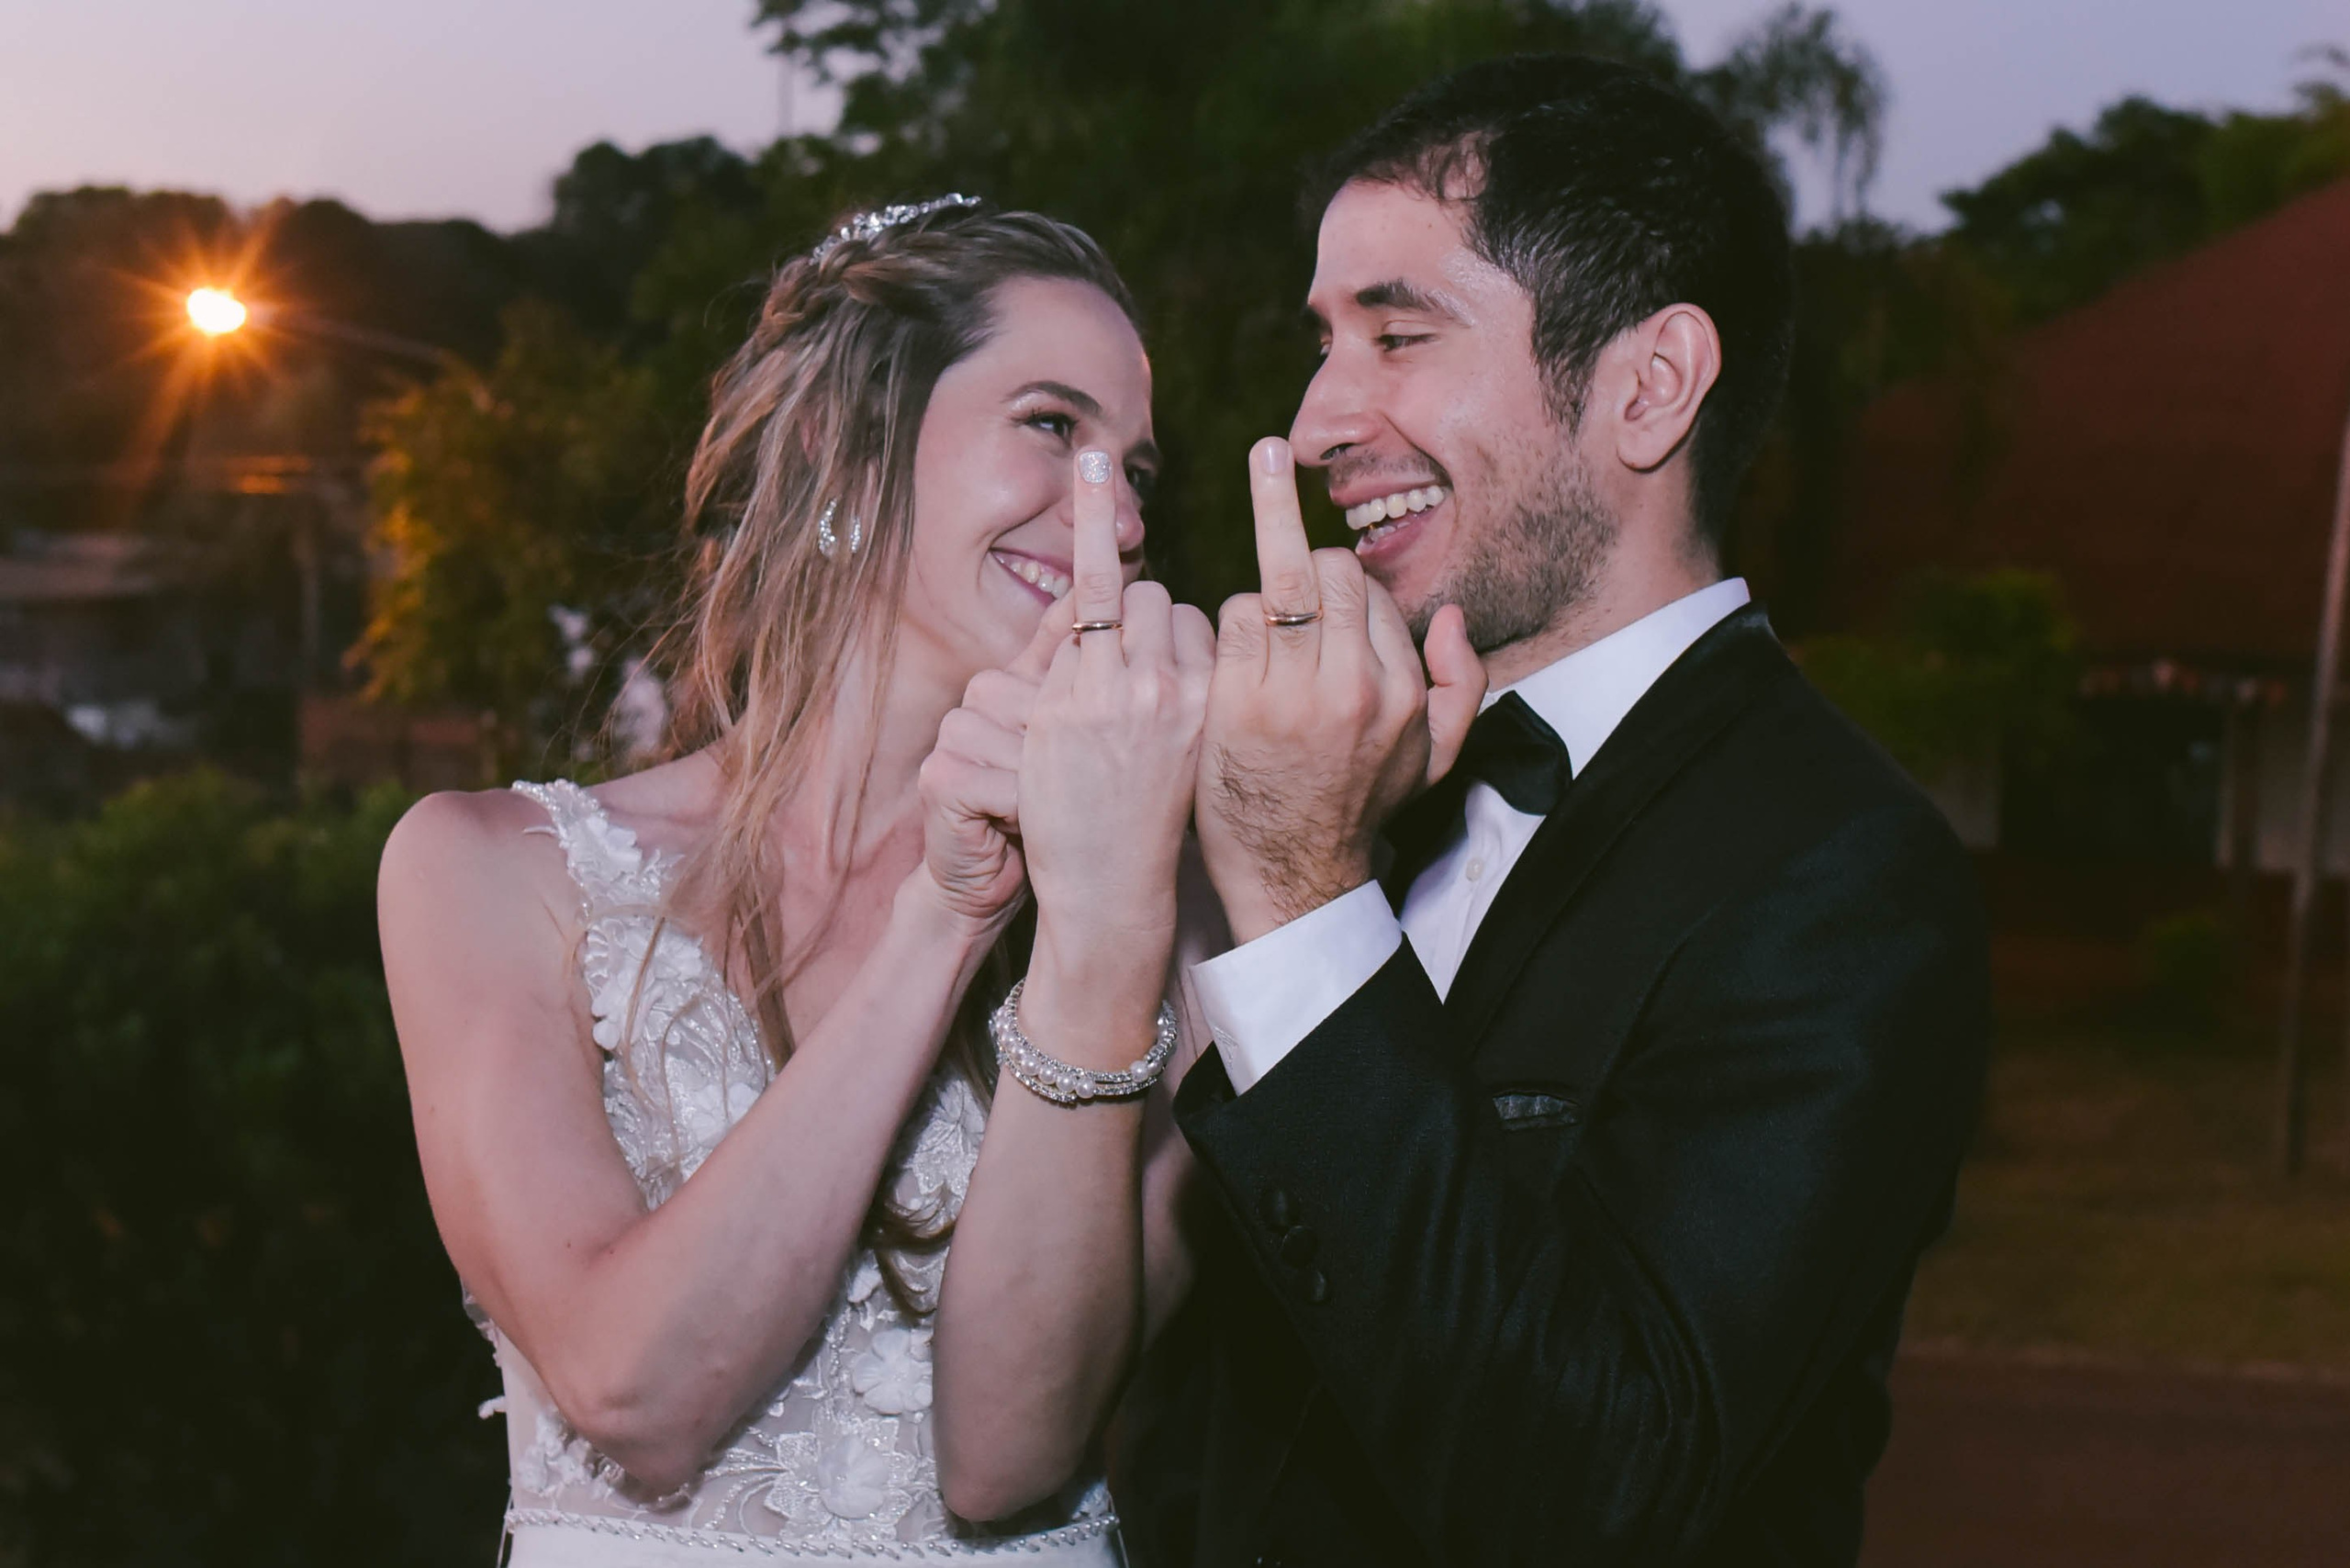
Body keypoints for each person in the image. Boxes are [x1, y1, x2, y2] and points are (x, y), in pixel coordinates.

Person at [1108, 55, 1991, 1566]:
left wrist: (1300, 890)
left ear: (1651, 385)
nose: (1316, 423)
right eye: (1324, 344)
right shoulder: (1373, 777)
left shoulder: (1844, 875)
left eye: (1398, 334)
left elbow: (1599, 1490)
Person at [377, 198, 1219, 1564]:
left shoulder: (1162, 916)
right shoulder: (492, 872)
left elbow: (1012, 1457)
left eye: (1136, 472)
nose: (1116, 517)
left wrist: (1098, 916)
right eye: (1053, 426)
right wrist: (946, 921)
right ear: (842, 442)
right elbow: (634, 1390)